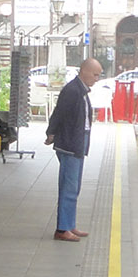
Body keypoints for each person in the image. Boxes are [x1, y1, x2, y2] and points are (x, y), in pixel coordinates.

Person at [43, 58, 103, 241]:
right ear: (84, 71)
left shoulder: (81, 91)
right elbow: (59, 113)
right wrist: (51, 132)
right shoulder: (72, 91)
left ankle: (70, 224)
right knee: (68, 187)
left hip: (78, 143)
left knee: (74, 186)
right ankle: (62, 229)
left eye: (99, 75)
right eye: (95, 74)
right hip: (69, 144)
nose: (97, 78)